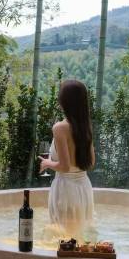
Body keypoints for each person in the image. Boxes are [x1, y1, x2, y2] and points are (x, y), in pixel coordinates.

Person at [39, 79, 95, 240]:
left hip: (66, 190)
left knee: (63, 238)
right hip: (84, 188)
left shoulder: (60, 128)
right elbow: (91, 163)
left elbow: (64, 167)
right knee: (80, 238)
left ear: (64, 102)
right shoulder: (85, 126)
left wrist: (47, 163)